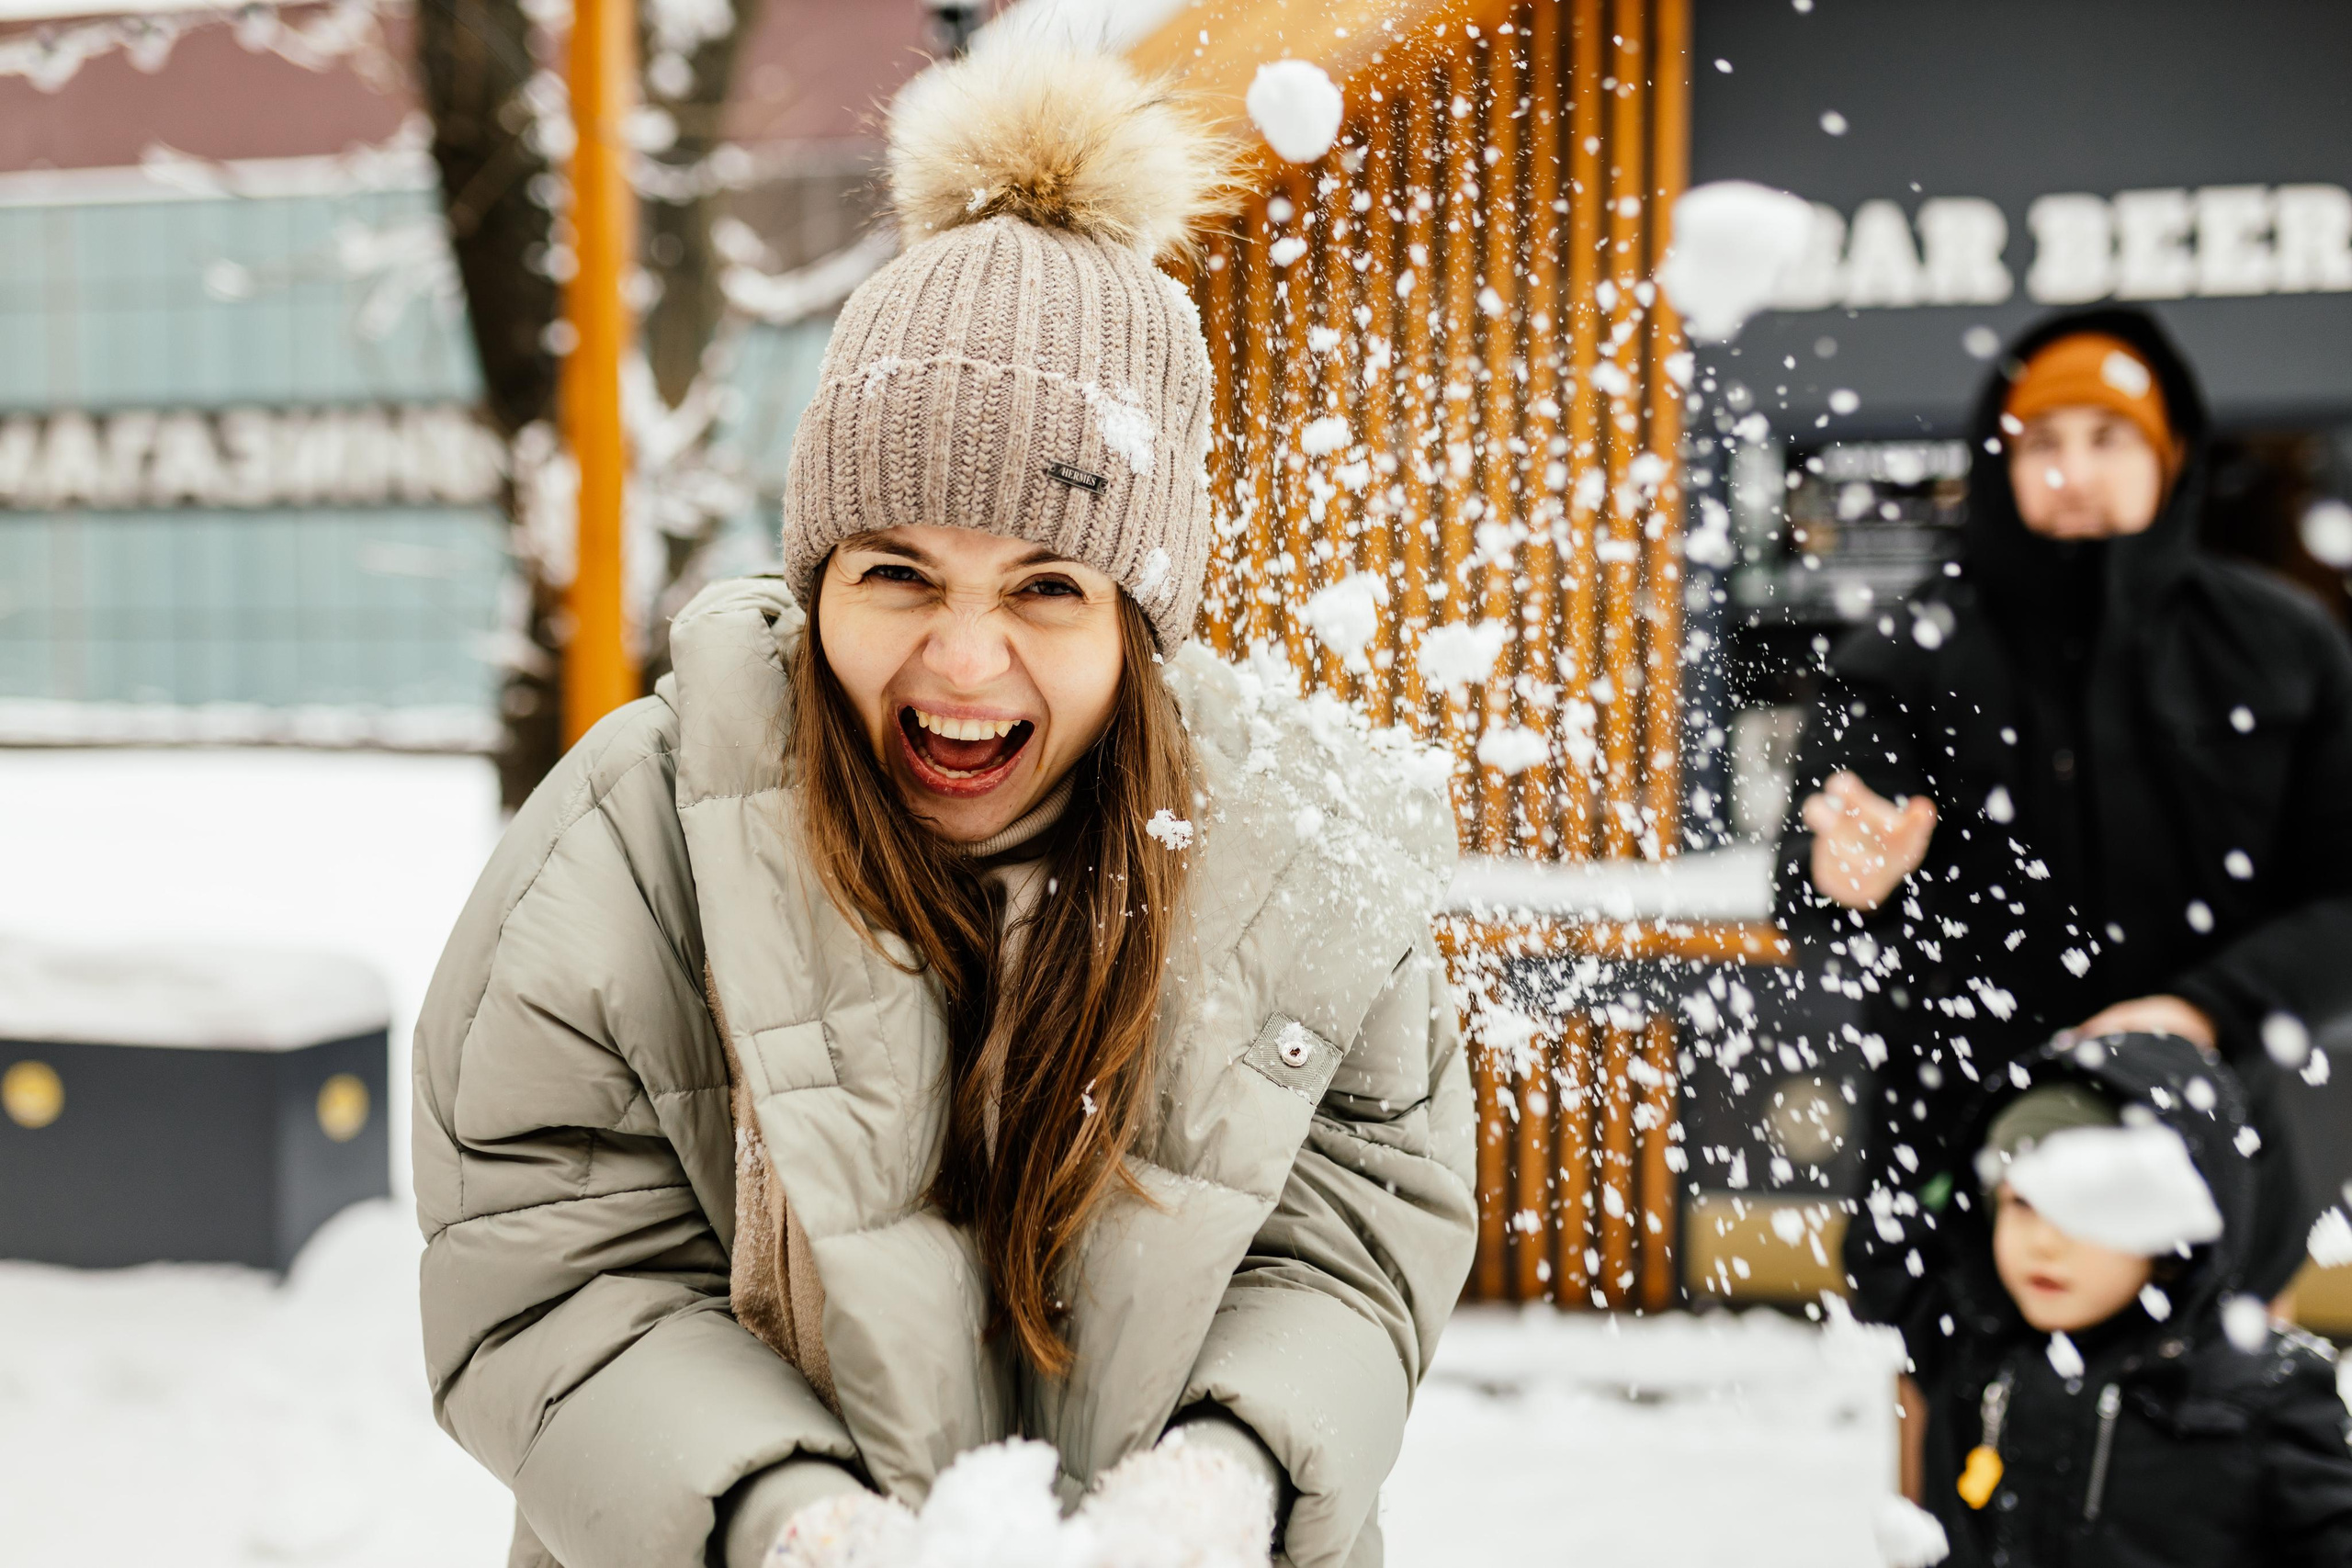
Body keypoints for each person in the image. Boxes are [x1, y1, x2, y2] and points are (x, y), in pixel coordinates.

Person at [410, 40, 1476, 1568]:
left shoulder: (1299, 865)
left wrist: (1230, 1477)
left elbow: (1358, 1237)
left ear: (1139, 623)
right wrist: (784, 1524)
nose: (961, 660)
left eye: (1047, 586)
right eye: (899, 570)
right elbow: (548, 1273)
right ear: (818, 573)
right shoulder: (624, 850)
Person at [1771, 308, 2352, 1343]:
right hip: (1960, 1158)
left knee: (2206, 1470)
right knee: (1964, 1478)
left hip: (2211, 1150)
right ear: (2001, 462)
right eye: (2042, 442)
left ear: (2169, 454)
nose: (2071, 472)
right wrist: (1842, 874)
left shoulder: (2282, 649)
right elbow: (1814, 883)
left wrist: (2202, 1010)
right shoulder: (1901, 657)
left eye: (2107, 437)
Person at [1913, 1032, 2352, 1565]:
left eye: (2083, 1209)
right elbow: (1883, 1246)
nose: (2044, 1242)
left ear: (2172, 1232)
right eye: (2021, 1203)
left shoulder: (2262, 1394)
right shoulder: (1972, 1353)